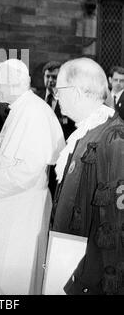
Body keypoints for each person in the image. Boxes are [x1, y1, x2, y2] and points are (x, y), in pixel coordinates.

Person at [0, 59, 65, 295]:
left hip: (24, 207)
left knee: (13, 275)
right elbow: (5, 152)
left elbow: (29, 170)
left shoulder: (33, 112)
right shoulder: (20, 108)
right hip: (13, 202)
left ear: (12, 83)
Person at [51, 57, 124, 295]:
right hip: (70, 259)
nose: (56, 95)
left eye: (59, 89)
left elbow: (113, 225)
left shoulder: (113, 138)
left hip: (87, 276)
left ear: (76, 92)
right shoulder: (86, 131)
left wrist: (83, 278)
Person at [40, 61, 76, 198]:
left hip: (60, 154)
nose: (50, 80)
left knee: (55, 191)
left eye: (54, 77)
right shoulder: (37, 99)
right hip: (40, 154)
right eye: (47, 76)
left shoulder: (68, 100)